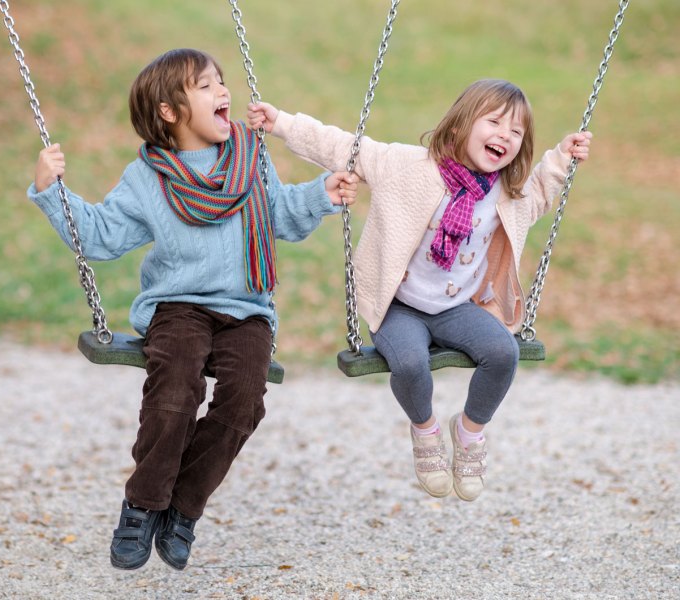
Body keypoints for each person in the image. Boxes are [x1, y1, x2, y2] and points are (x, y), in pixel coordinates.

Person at [28, 48, 358, 571]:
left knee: (246, 400)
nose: (222, 92)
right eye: (204, 86)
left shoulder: (250, 158)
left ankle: (183, 507)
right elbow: (101, 236)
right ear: (169, 111)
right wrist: (52, 192)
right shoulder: (148, 178)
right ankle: (142, 505)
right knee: (175, 389)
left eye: (220, 83)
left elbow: (281, 216)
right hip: (178, 307)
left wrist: (322, 193)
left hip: (247, 306)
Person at [247, 79, 591, 502]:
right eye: (495, 121)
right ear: (462, 124)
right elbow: (345, 147)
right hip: (399, 308)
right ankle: (426, 432)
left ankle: (468, 435)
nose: (505, 134)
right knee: (410, 365)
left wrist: (561, 156)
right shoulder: (407, 166)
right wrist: (281, 122)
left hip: (455, 307)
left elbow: (538, 193)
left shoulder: (505, 194)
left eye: (517, 131)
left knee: (504, 353)